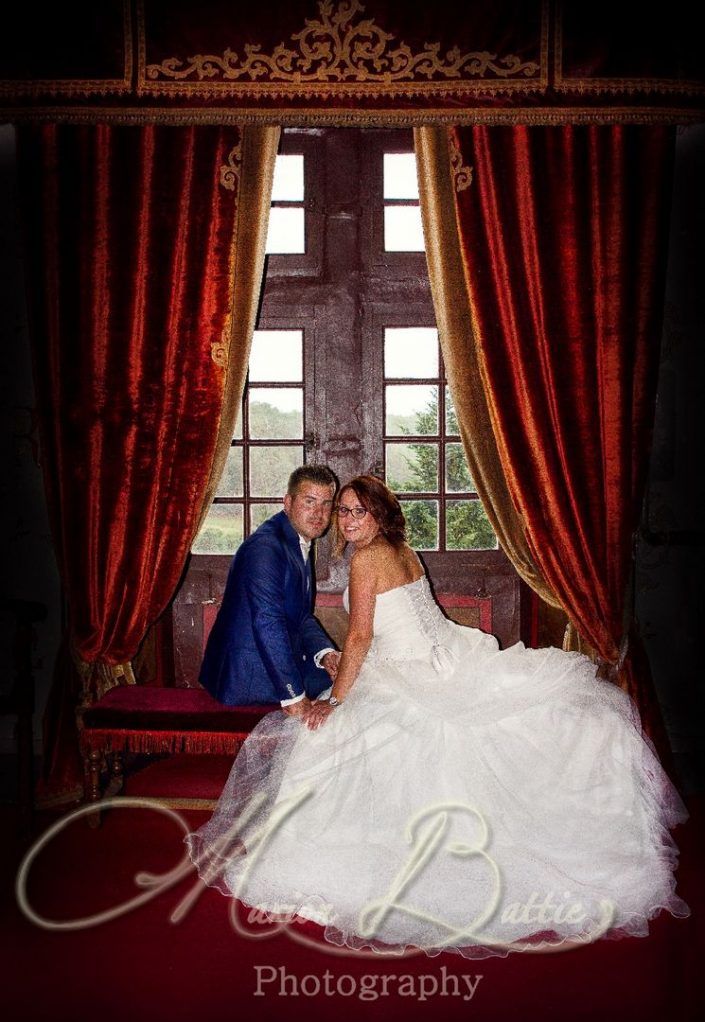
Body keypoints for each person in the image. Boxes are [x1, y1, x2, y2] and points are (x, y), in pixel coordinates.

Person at [185, 475, 690, 958]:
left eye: (358, 511)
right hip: (441, 656)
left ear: (380, 515)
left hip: (406, 669)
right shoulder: (402, 551)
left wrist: (336, 702)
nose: (347, 520)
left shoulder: (367, 559)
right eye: (342, 511)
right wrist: (333, 661)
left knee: (331, 740)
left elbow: (360, 637)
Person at [199, 464, 340, 714]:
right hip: (249, 675)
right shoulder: (266, 548)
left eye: (326, 504)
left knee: (353, 678)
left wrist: (325, 653)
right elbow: (267, 621)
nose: (319, 513)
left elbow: (301, 616)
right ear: (288, 502)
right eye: (309, 502)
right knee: (350, 693)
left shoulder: (296, 538)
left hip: (282, 659)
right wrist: (293, 696)